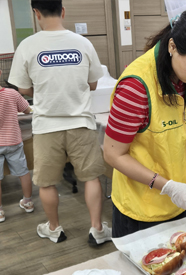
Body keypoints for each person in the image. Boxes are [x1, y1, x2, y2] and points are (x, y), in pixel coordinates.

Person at [103, 6, 186, 237]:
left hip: (184, 201)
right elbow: (113, 154)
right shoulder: (136, 87)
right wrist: (166, 186)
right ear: (173, 46)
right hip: (142, 210)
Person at [8, 0, 111, 245]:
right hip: (82, 124)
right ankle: (97, 229)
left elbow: (22, 88)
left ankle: (54, 228)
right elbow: (94, 83)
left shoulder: (27, 45)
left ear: (36, 13)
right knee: (92, 178)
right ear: (63, 11)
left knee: (46, 182)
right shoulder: (83, 43)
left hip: (46, 127)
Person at [0, 70, 33, 222]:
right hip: (13, 141)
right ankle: (28, 202)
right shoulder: (12, 94)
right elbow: (27, 110)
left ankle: (0, 212)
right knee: (23, 172)